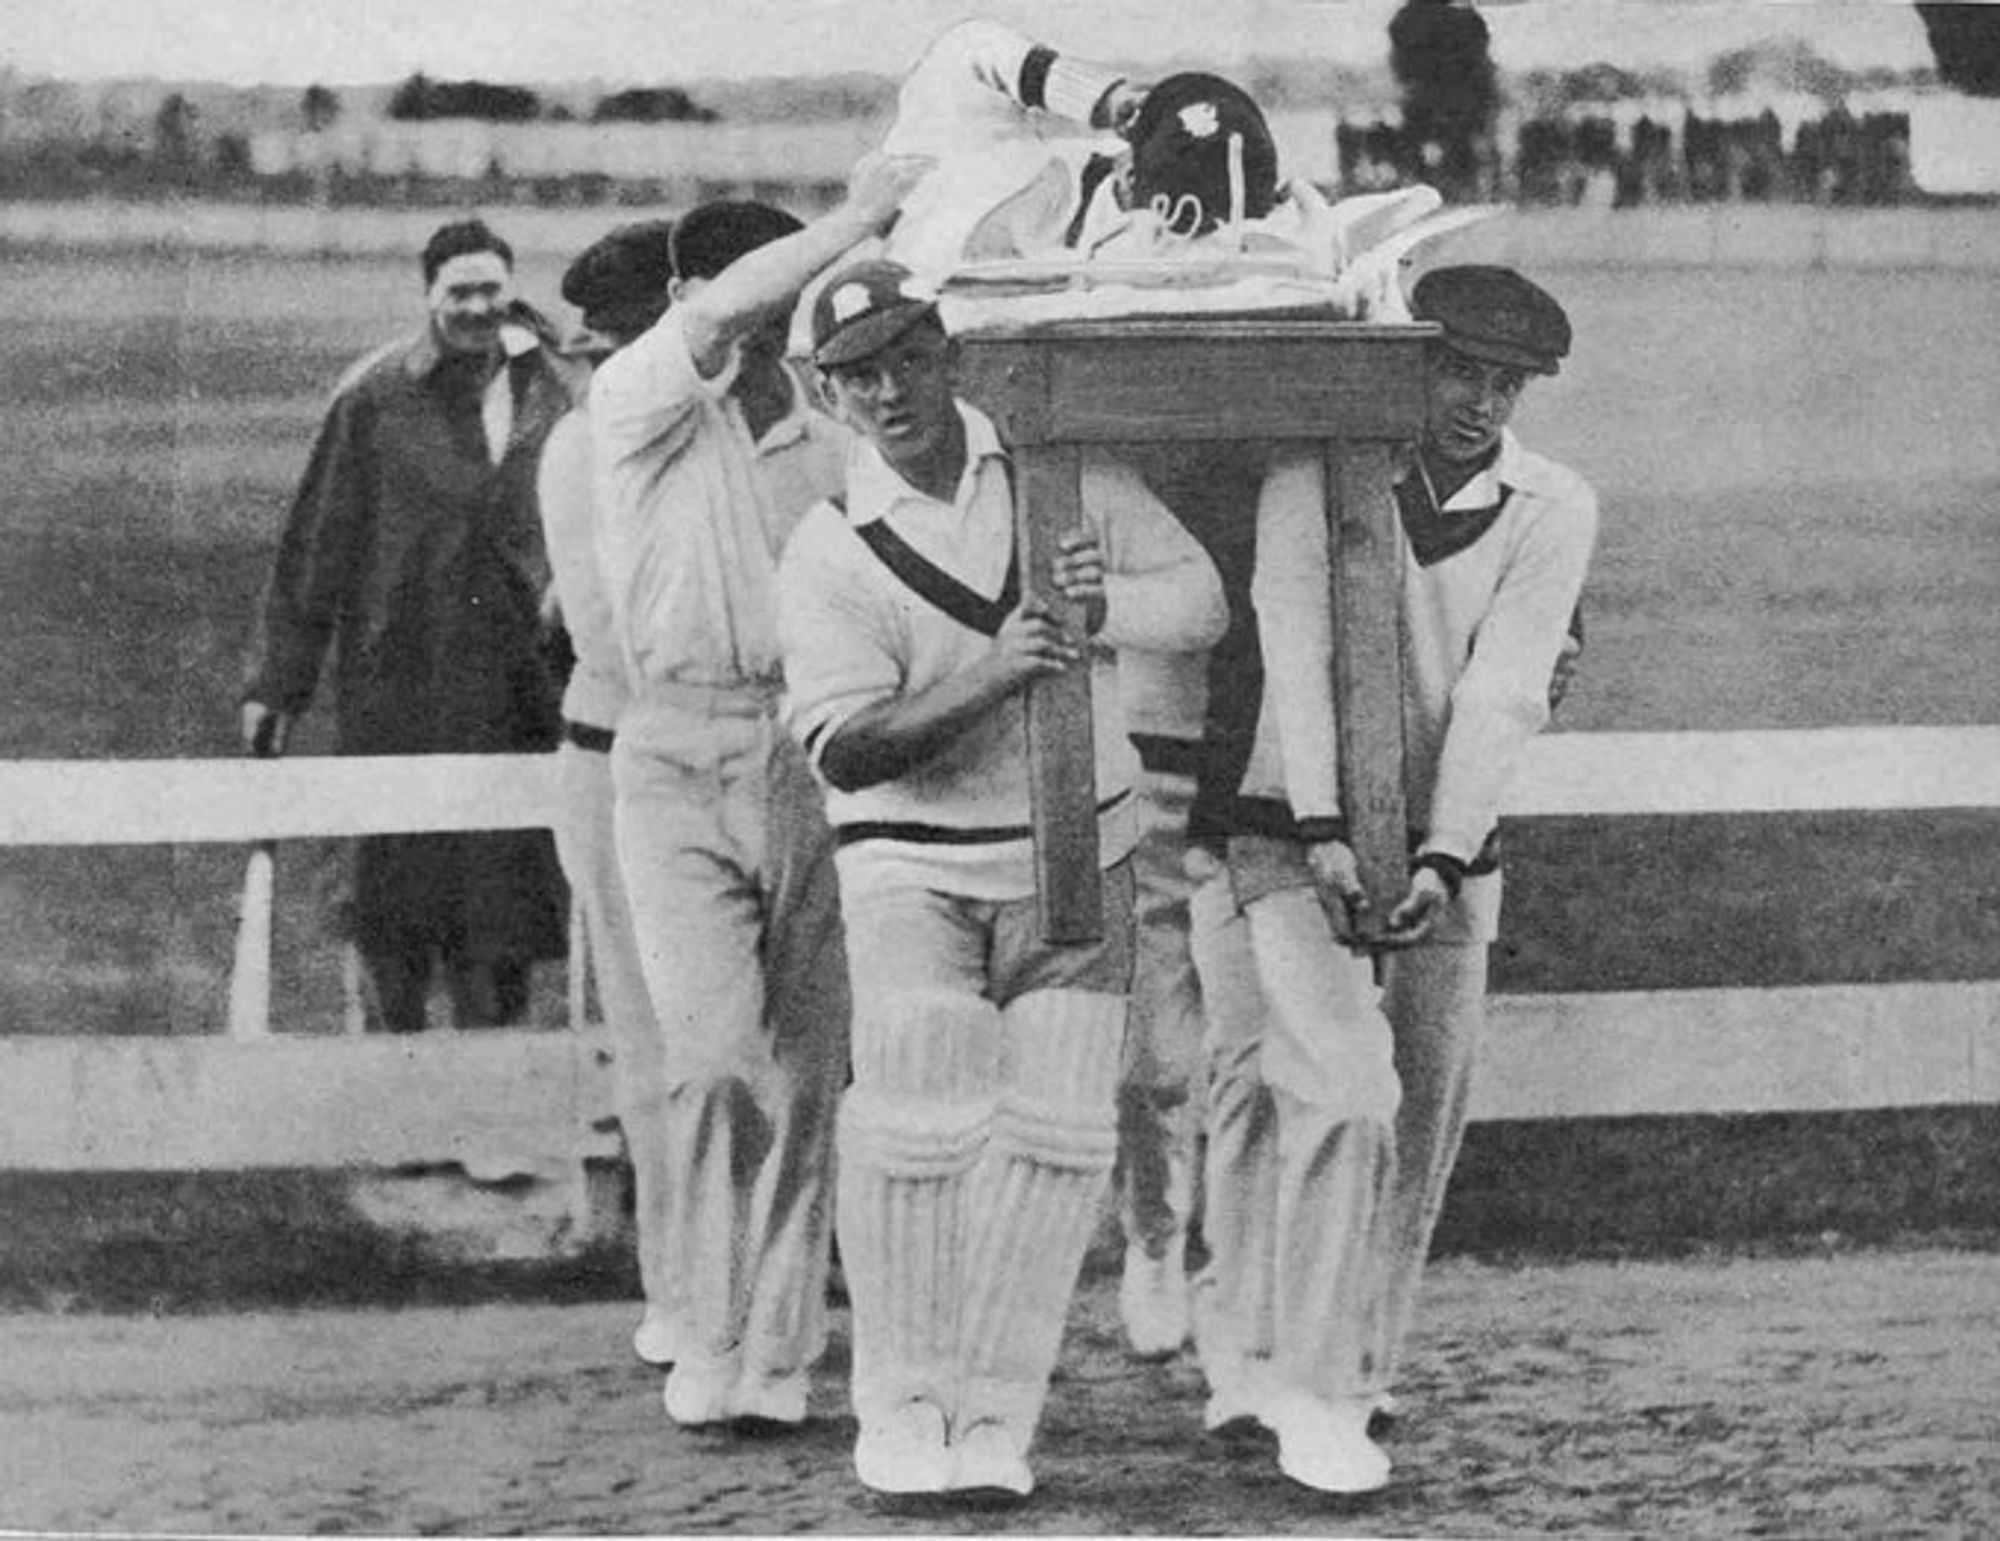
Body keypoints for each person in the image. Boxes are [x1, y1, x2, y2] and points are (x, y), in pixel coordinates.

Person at [778, 258, 1227, 1500]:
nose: (887, 391)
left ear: (948, 355)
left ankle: (991, 1421)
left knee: (1056, 1135)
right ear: (827, 394)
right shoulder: (831, 545)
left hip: (1075, 842)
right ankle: (901, 1404)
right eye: (856, 374)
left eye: (906, 358)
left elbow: (1198, 603)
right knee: (915, 1112)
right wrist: (996, 667)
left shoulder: (1058, 479)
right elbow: (843, 745)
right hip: (911, 863)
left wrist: (1103, 609)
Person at [1186, 262, 1597, 1495]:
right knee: (1328, 1089)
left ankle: (1352, 1363)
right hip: (1281, 823)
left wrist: (1438, 852)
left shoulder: (1552, 503)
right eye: (1457, 371)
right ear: (1409, 364)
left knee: (1418, 1115)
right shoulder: (1313, 474)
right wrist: (1323, 821)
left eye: (1503, 381)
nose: (1478, 401)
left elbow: (1505, 687)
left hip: (1446, 846)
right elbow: (1296, 649)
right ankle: (1279, 1374)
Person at [586, 162, 926, 1432]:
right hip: (670, 748)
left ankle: (774, 1350)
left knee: (806, 1070)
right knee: (714, 1061)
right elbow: (723, 314)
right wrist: (866, 214)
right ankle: (708, 1325)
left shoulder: (838, 446)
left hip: (805, 752)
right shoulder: (637, 401)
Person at [240, 218, 577, 1034]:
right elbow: (315, 548)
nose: (475, 306)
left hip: (518, 695)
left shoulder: (553, 390)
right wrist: (278, 685)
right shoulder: (374, 398)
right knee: (394, 900)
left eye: (489, 288)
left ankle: (493, 1113)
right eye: (457, 290)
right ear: (427, 295)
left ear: (510, 288)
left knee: (503, 908)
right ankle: (392, 1102)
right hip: (401, 688)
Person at [537, 220, 687, 1371]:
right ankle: (678, 1285)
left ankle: (744, 1278)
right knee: (653, 1041)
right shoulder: (583, 446)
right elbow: (606, 633)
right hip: (622, 749)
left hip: (727, 753)